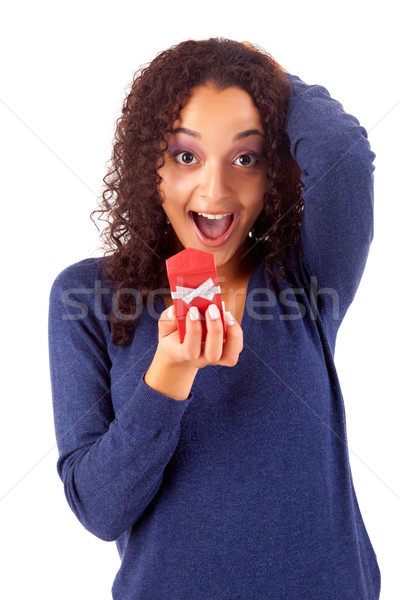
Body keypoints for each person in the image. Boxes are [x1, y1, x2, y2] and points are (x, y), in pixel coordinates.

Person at [48, 38, 380, 599]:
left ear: (274, 171)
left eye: (245, 158)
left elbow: (343, 153)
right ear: (148, 164)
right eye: (186, 156)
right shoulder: (88, 295)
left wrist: (271, 75)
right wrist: (169, 376)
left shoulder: (305, 277)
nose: (215, 189)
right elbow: (99, 510)